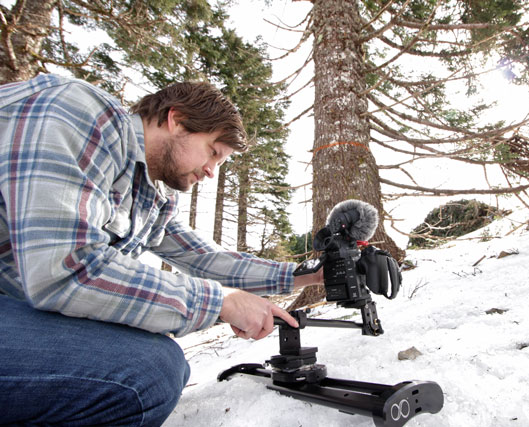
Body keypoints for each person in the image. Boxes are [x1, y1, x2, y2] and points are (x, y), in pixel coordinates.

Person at [0, 74, 322, 425]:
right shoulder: (82, 114)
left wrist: (310, 273)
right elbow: (66, 270)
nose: (211, 172)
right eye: (213, 152)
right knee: (144, 374)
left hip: (18, 310)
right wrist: (220, 302)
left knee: (157, 362)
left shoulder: (152, 195)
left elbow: (205, 259)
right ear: (176, 120)